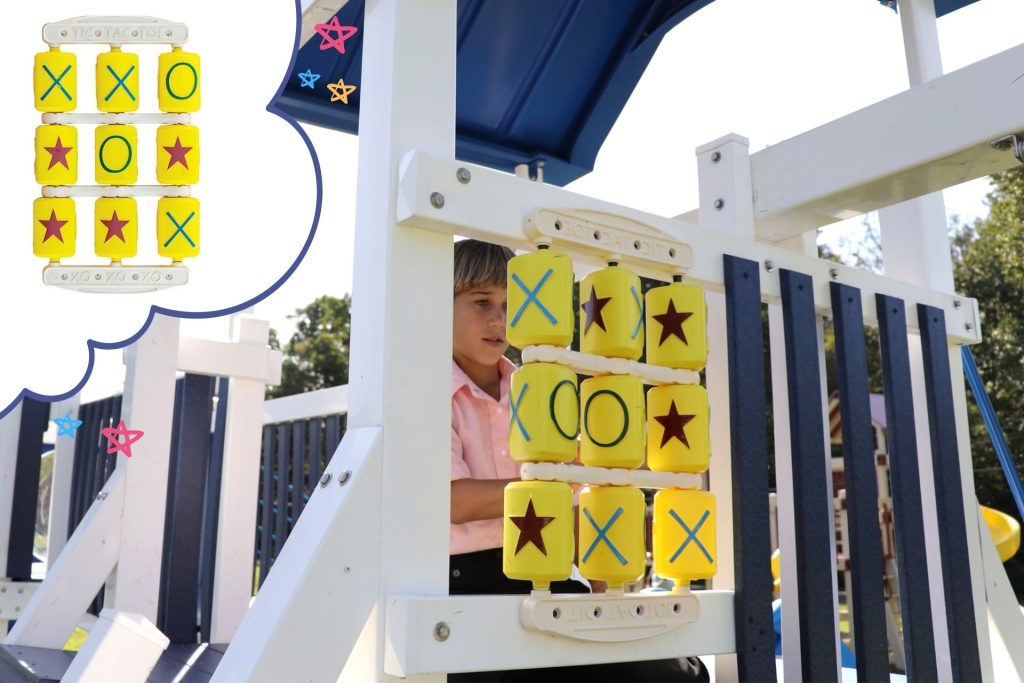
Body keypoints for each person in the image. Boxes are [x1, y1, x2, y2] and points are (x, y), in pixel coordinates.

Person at [448, 239, 708, 682]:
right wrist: (556, 484)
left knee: (681, 673)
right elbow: (456, 503)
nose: (499, 319)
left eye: (513, 305)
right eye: (481, 302)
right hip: (463, 584)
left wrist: (602, 596)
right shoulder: (429, 390)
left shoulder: (540, 386)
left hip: (547, 573)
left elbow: (569, 506)